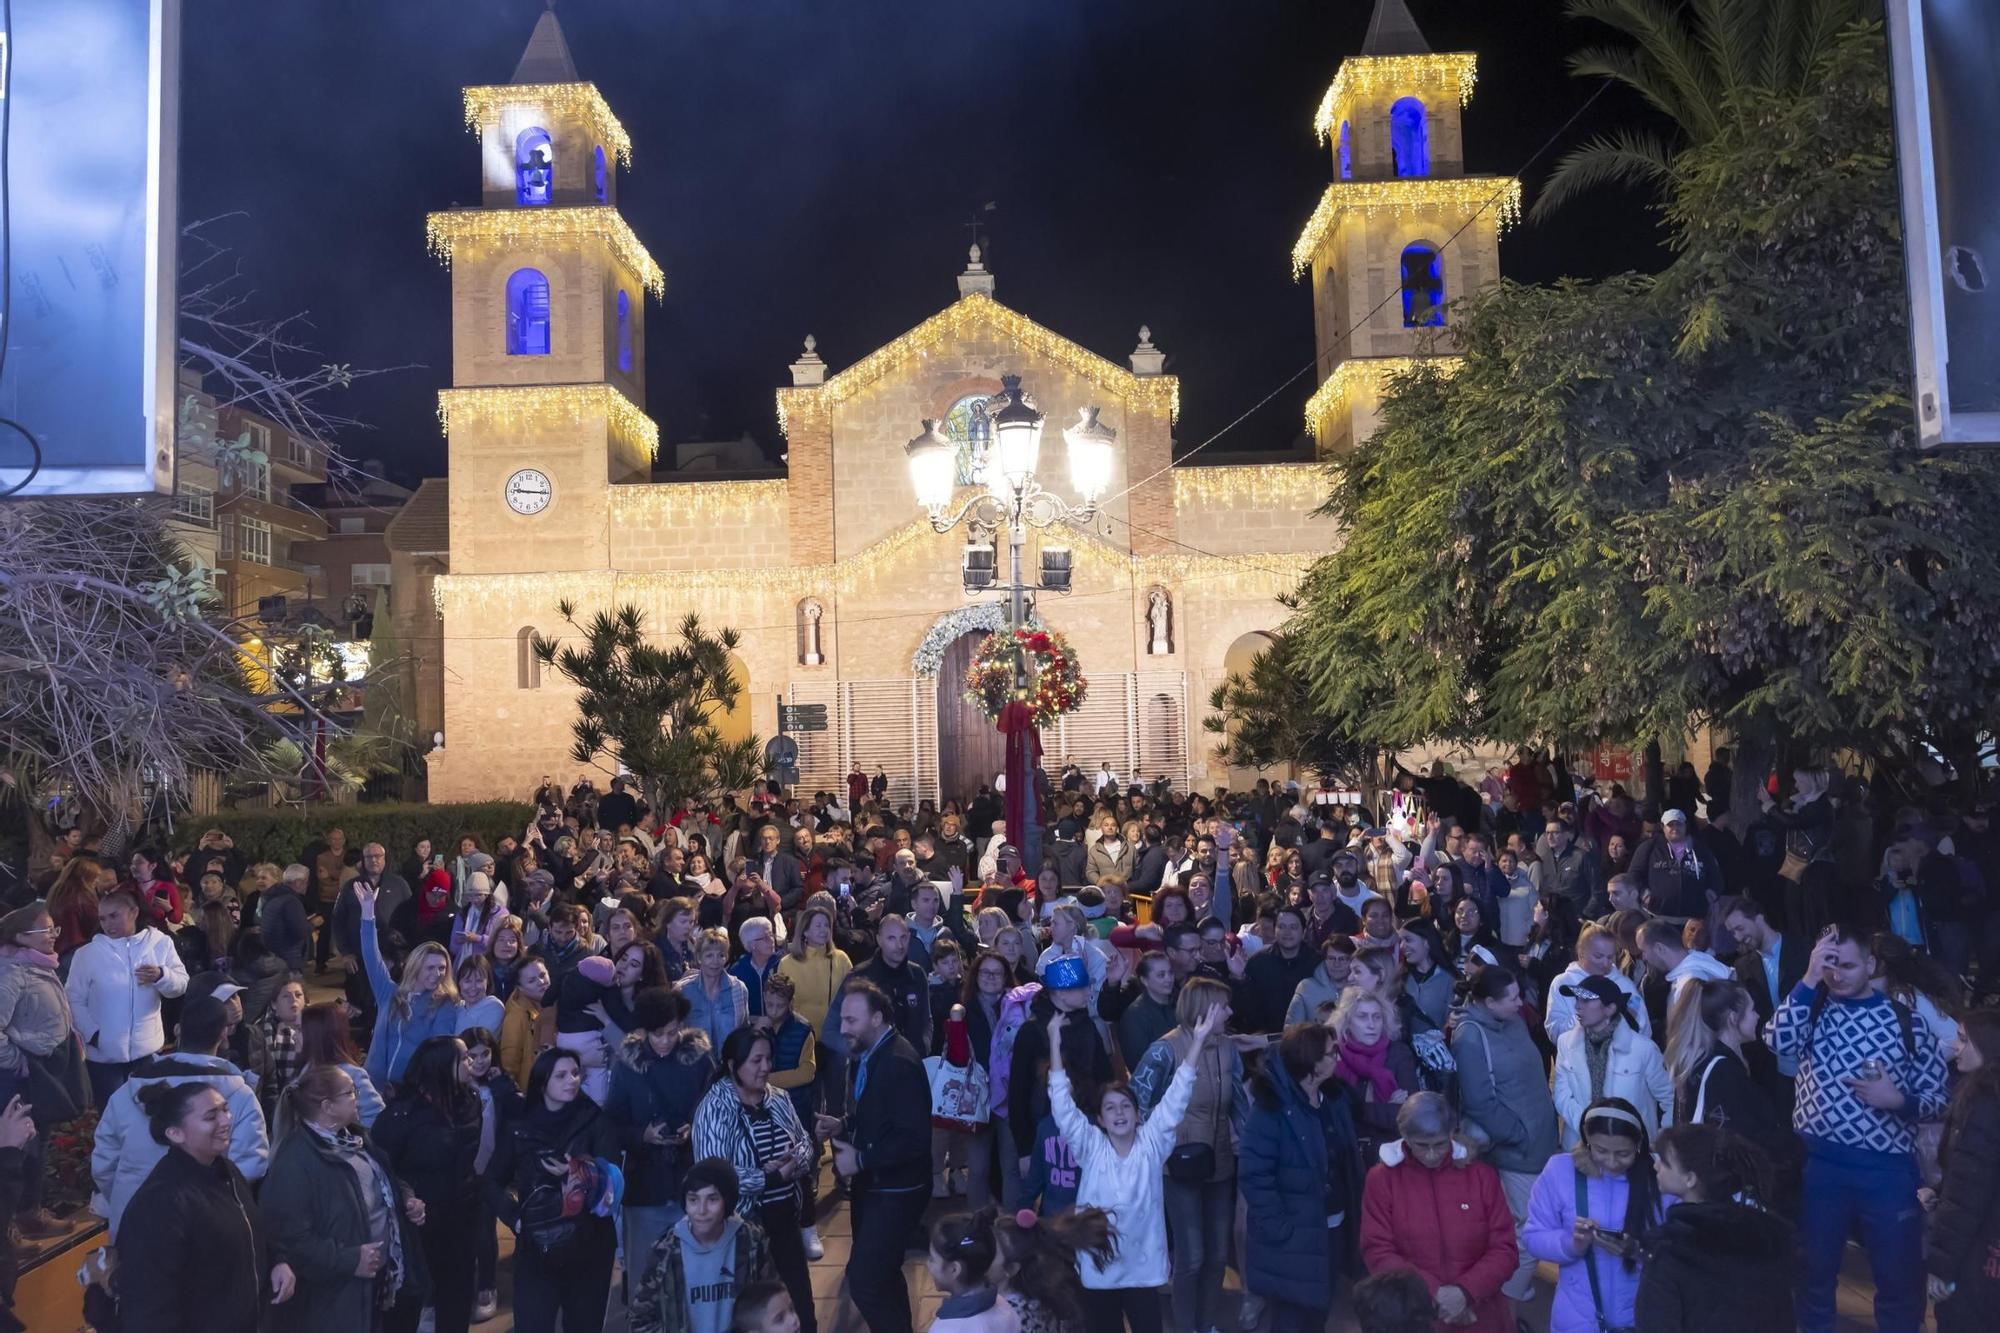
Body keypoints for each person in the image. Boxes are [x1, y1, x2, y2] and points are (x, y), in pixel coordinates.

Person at [1771, 924, 1948, 1333]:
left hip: (1886, 1169)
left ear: (1870, 964)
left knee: (1899, 1282)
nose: (1838, 974)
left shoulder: (1908, 1023)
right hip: (1818, 1166)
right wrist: (1808, 978)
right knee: (1813, 1278)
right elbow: (1776, 1040)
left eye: (1847, 965)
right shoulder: (1812, 1009)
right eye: (1830, 965)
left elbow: (1941, 1100)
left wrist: (1898, 1102)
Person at [1048, 997, 1221, 1332]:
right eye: (1110, 1108)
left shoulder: (1152, 1144)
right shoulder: (1091, 1147)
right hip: (1099, 1270)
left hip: (1142, 1272)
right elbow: (1062, 1106)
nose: (1119, 1113)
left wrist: (1197, 1042)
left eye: (1126, 1106)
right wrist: (1054, 1041)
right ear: (1099, 1119)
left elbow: (1176, 1097)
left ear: (1138, 1114)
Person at [262, 1063, 431, 1333]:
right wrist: (351, 1260)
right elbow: (288, 1238)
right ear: (328, 1106)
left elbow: (387, 1179)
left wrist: (406, 1200)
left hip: (381, 1283)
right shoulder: (294, 1161)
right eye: (350, 1092)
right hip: (336, 1300)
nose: (358, 1097)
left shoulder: (355, 1137)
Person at [114, 1081, 295, 1333]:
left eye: (225, 1110)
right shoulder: (161, 1203)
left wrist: (277, 1260)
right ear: (175, 1133)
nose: (225, 1121)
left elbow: (251, 1229)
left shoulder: (226, 1171)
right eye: (211, 1116)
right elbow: (148, 1304)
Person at [91, 994, 271, 1237]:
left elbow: (104, 1163)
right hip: (208, 1230)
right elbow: (248, 1167)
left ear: (177, 1030)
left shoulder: (126, 1093)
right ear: (223, 1036)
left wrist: (127, 1198)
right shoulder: (239, 1096)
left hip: (134, 1226)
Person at [1129, 976, 1245, 1333]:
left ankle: (1206, 1322)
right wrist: (1161, 1147)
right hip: (1178, 1168)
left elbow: (1238, 1102)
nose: (1229, 1011)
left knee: (1215, 1256)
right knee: (1191, 1256)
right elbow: (1138, 1102)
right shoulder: (1165, 1050)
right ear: (1205, 1009)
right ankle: (1184, 1327)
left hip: (1221, 1162)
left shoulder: (1229, 1048)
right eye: (1223, 1005)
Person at [692, 1026, 819, 1333]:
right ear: (734, 1065)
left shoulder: (779, 1099)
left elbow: (804, 1143)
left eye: (768, 1059)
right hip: (743, 1232)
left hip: (785, 1220)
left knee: (800, 1307)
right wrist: (770, 1177)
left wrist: (794, 1162)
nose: (766, 1068)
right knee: (757, 1314)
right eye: (756, 1060)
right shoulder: (715, 1108)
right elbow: (716, 1175)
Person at [1240, 1021, 1364, 1333]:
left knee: (1316, 1315)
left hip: (1332, 1227)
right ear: (1311, 1062)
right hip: (1291, 1237)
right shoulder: (1271, 1109)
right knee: (1290, 1320)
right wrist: (1281, 1229)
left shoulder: (1333, 1099)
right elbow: (1255, 1175)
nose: (1337, 1056)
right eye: (1331, 1052)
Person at [1359, 1092, 1519, 1333]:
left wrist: (1466, 1291)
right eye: (1422, 1146)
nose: (1432, 1154)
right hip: (1417, 1317)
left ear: (1452, 1135)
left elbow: (1505, 1248)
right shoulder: (1381, 1180)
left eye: (1440, 1144)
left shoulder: (1480, 1176)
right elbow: (1377, 1249)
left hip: (1480, 1314)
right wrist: (1433, 1292)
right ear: (1405, 1138)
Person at [822, 982, 931, 1333]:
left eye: (851, 1020)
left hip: (895, 1191)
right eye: (843, 1019)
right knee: (882, 1275)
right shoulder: (876, 1054)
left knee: (865, 1282)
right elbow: (881, 1114)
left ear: (877, 1018)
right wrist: (845, 1123)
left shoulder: (898, 1062)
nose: (843, 1029)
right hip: (880, 1187)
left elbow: (914, 1138)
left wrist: (862, 1161)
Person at [489, 1049, 622, 1333]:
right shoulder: (519, 1127)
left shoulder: (595, 1121)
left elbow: (612, 1185)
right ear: (542, 1082)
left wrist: (574, 1172)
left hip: (590, 1245)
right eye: (561, 1075)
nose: (571, 1081)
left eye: (575, 1074)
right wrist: (515, 1218)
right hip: (537, 1246)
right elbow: (490, 1182)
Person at [1449, 965, 1557, 1309]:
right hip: (1516, 1148)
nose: (1519, 1002)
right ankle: (1505, 1305)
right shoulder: (1469, 1036)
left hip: (1537, 1138)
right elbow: (1479, 1102)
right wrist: (1518, 1134)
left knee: (1520, 1221)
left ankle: (1506, 1291)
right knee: (1528, 1227)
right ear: (1488, 1002)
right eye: (1511, 998)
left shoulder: (1513, 1021)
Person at [1523, 1099, 1669, 1333]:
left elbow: (1681, 1251)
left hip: (1643, 1317)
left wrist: (1638, 1251)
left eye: (1623, 1153)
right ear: (1586, 1140)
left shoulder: (1661, 1178)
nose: (1611, 1162)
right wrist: (1571, 1244)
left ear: (1639, 1144)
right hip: (1577, 1320)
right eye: (1600, 1150)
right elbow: (1533, 1237)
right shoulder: (1560, 1170)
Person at [608, 987, 716, 1293]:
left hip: (691, 1180)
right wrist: (642, 1135)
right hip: (645, 1184)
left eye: (673, 1032)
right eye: (658, 1034)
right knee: (645, 1273)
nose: (666, 1041)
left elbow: (714, 1105)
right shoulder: (628, 1065)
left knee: (697, 1273)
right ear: (644, 1032)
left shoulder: (699, 1059)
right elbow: (612, 1122)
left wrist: (695, 1127)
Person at [1638, 1123, 1795, 1332]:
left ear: (1690, 1179)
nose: (1656, 1166)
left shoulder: (1669, 1252)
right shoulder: (1766, 1242)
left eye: (1665, 1163)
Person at [374, 1036, 483, 1333]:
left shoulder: (471, 1102)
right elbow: (383, 1166)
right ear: (440, 1067)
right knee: (409, 1299)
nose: (470, 1062)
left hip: (461, 1215)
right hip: (418, 1223)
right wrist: (406, 1199)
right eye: (463, 1058)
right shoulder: (402, 1114)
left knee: (457, 1294)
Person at [1662, 978, 1798, 1199]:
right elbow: (1738, 1138)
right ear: (1734, 1018)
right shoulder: (1723, 1071)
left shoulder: (1703, 1062)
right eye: (1752, 1010)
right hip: (1729, 1194)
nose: (1757, 1016)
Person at [64, 886, 188, 1103]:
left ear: (134, 912)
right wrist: (93, 1034)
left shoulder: (160, 943)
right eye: (103, 919)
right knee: (111, 1114)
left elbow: (180, 985)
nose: (108, 924)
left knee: (148, 1112)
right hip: (104, 1056)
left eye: (114, 916)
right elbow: (73, 998)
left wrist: (161, 975)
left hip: (147, 1050)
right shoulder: (87, 954)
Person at [0, 901, 77, 1240]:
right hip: (22, 1075)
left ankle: (28, 1215)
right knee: (24, 1146)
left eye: (53, 929)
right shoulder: (12, 973)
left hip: (44, 1067)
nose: (53, 936)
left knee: (40, 1140)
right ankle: (13, 1228)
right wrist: (15, 1060)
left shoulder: (36, 965)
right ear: (20, 937)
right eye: (46, 930)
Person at [629, 1156, 774, 1333]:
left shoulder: (752, 1241)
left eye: (712, 1199)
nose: (701, 1210)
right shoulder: (664, 1251)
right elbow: (639, 1318)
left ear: (727, 1202)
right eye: (693, 1200)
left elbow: (771, 1302)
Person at [1925, 1009, 2000, 1331]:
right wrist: (1941, 1192)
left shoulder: (1983, 1106)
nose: (1955, 1047)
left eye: (1963, 1040)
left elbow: (1968, 1194)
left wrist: (1942, 1269)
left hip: (1977, 1256)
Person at [357, 886, 463, 1088]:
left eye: (442, 968)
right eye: (430, 967)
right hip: (374, 1085)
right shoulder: (389, 993)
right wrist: (368, 914)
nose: (438, 973)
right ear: (416, 966)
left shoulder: (445, 1004)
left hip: (410, 1090)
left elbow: (437, 1052)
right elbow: (371, 956)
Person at [1551, 974, 1673, 1147]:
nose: (1577, 1006)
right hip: (1581, 1147)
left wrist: (1660, 1143)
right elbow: (1562, 1095)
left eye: (1586, 1000)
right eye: (1577, 999)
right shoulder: (1565, 1043)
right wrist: (1590, 1128)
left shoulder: (1643, 1049)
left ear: (1610, 1008)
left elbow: (1669, 1098)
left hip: (1631, 1150)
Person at [1331, 985, 1421, 1159]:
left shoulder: (1398, 1053)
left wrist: (1357, 1110)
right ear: (1347, 1021)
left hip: (1393, 1152)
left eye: (1377, 1017)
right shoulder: (1334, 1056)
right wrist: (1386, 1106)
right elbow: (1336, 1117)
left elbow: (1408, 1115)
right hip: (1347, 1153)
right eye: (1362, 1017)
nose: (1371, 1025)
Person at [1545, 922, 1649, 1042]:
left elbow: (1644, 1029)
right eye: (1598, 956)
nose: (1605, 963)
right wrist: (1585, 1017)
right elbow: (1554, 1032)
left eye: (1610, 957)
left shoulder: (1625, 984)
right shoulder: (1562, 983)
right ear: (1581, 952)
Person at [925, 1210, 1019, 1333]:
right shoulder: (1005, 1306)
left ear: (954, 1269)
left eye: (932, 1259)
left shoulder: (948, 1329)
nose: (927, 1264)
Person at [300, 999, 386, 1126]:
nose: (293, 1035)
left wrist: (348, 1135)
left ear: (316, 1036)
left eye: (299, 1030)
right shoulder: (306, 1069)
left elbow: (377, 1119)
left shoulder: (352, 1075)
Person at [678, 926, 750, 1052]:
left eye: (721, 955)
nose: (715, 961)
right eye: (709, 955)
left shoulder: (739, 989)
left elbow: (744, 1030)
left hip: (729, 1065)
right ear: (699, 958)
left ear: (726, 957)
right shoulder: (684, 991)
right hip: (696, 1065)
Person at [499, 956, 551, 1089]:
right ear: (520, 988)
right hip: (530, 1093)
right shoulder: (516, 1017)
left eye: (542, 975)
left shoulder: (553, 1003)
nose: (541, 982)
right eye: (532, 981)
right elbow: (509, 1065)